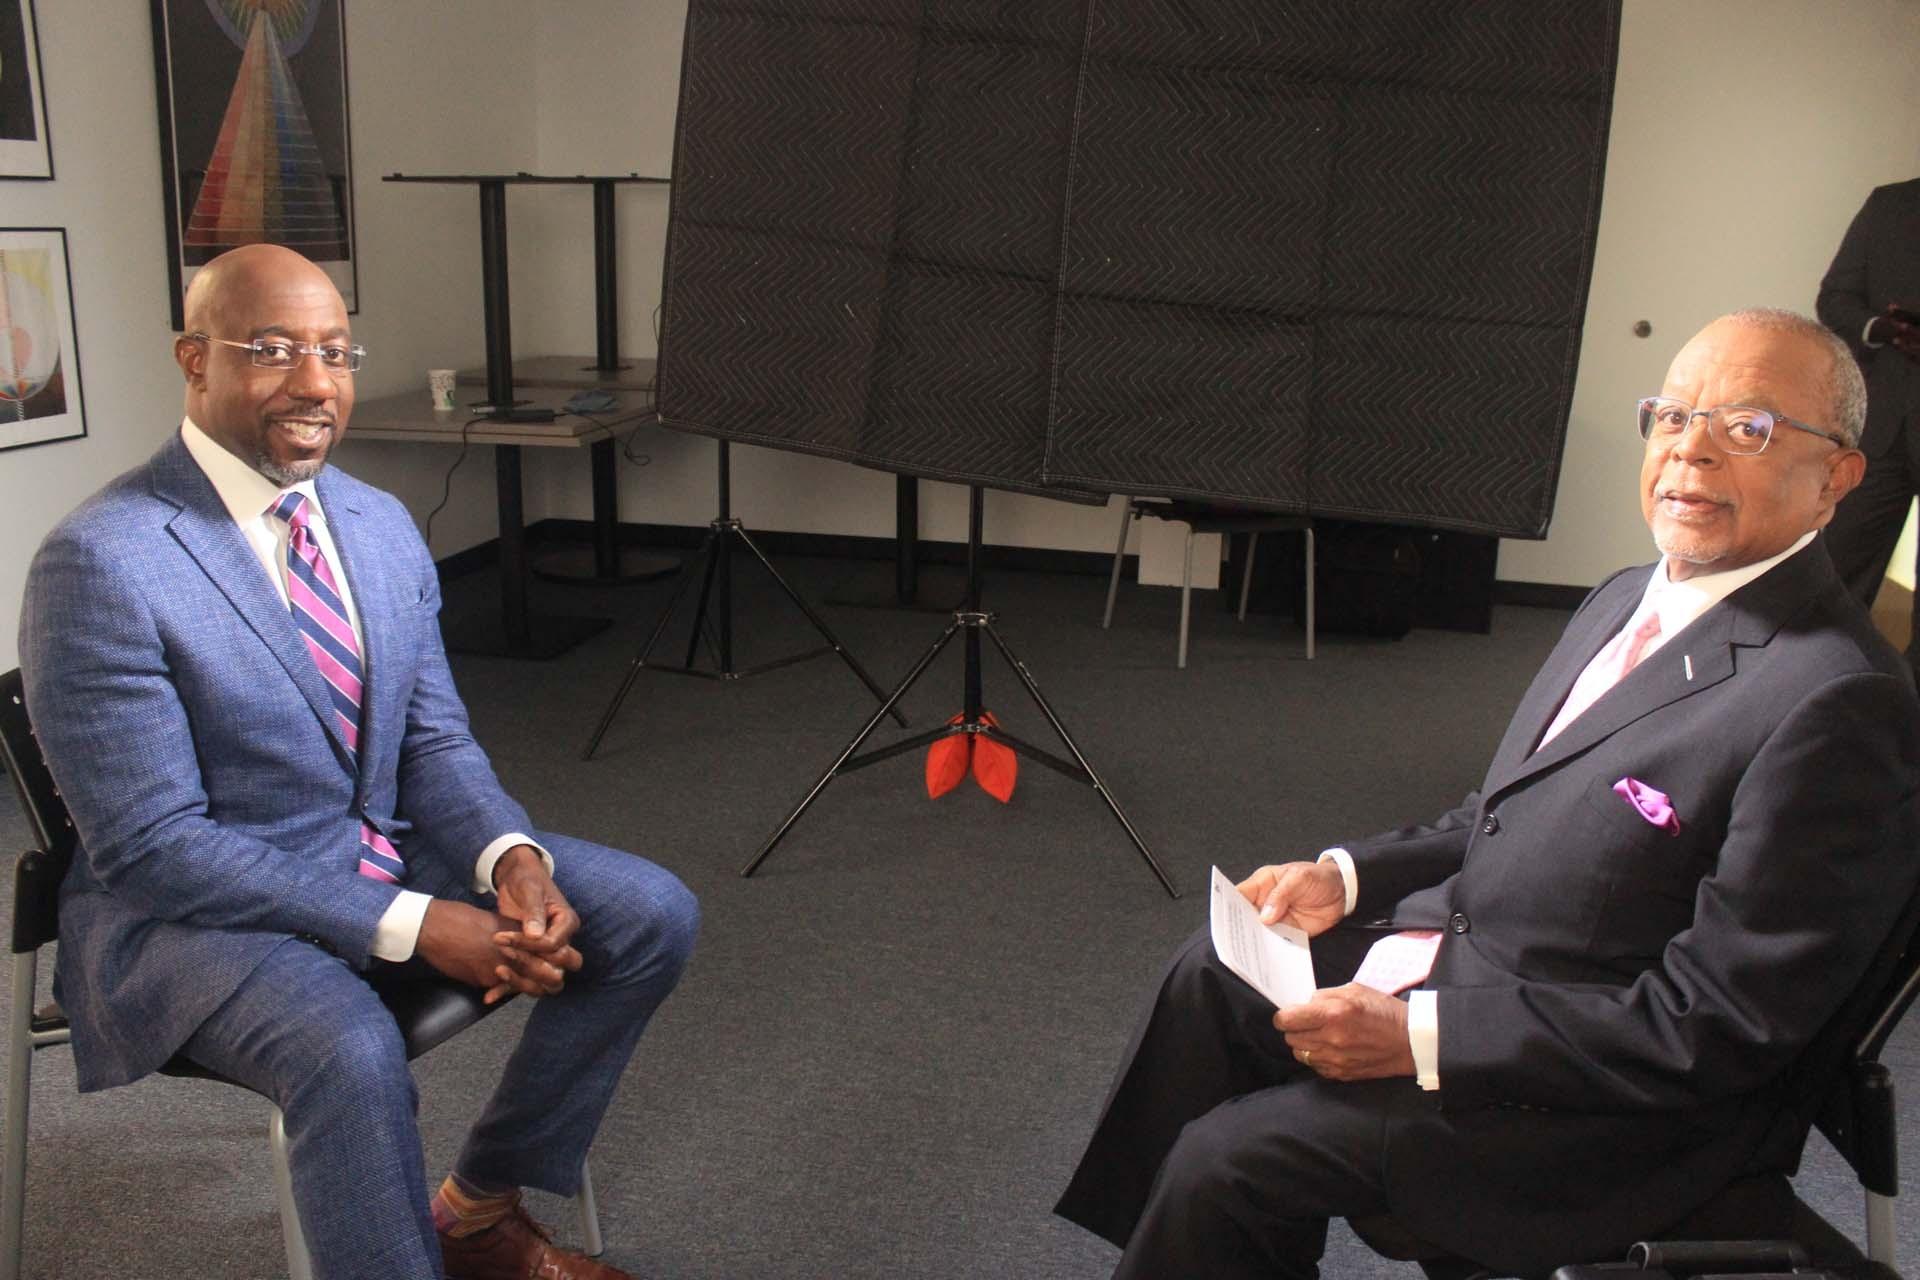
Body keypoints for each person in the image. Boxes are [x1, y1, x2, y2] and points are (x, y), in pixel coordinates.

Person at [1053, 309, 1920, 1278]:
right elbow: (1506, 808)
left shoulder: (1838, 699)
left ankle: (1195, 1230)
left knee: (1228, 1160)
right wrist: (1348, 874)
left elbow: (1717, 1021)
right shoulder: (1625, 596)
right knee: (1211, 976)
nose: (1692, 451)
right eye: (1672, 416)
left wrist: (1426, 1034)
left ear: (1838, 476)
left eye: (1747, 427)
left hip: (1604, 1108)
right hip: (1483, 964)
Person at [18, 244, 699, 1280]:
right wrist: (423, 922)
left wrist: (509, 860)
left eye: (335, 351)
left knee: (648, 910)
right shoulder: (103, 560)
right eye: (274, 349)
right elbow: (156, 849)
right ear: (192, 360)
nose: (314, 382)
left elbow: (430, 742)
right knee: (346, 1043)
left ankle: (476, 1211)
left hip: (371, 850)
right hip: (187, 914)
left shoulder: (377, 524)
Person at [1816, 177, 1920, 673]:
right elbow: (1835, 299)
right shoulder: (1890, 204)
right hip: (1880, 431)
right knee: (1833, 573)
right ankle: (1818, 682)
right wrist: (1881, 329)